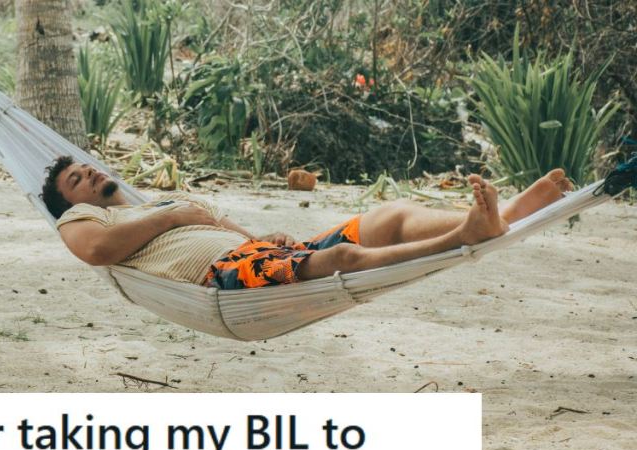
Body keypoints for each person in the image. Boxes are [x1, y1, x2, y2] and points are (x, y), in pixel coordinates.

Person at [41, 156, 573, 289]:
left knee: (385, 216)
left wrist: (259, 239)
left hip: (260, 254)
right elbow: (96, 252)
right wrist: (178, 215)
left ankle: (497, 217)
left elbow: (235, 239)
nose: (89, 177)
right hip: (222, 276)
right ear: (70, 202)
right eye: (77, 180)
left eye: (88, 169)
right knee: (342, 260)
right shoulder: (84, 219)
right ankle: (466, 234)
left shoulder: (149, 202)